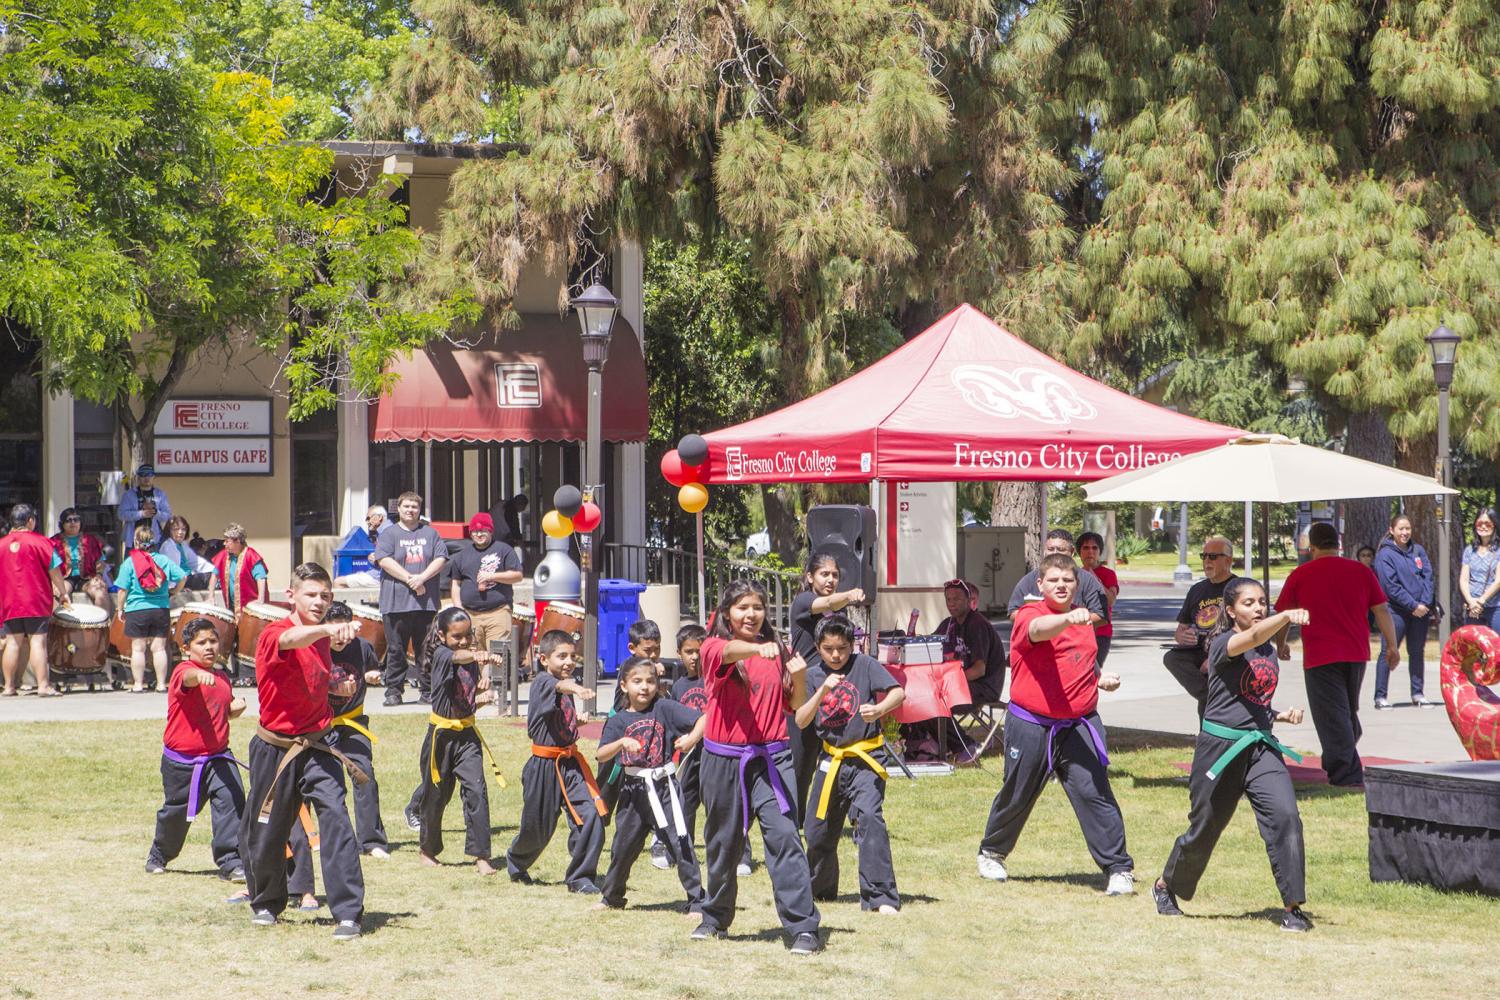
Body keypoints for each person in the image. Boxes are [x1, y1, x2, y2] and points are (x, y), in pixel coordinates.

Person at [1154, 577, 1313, 932]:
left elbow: (1251, 696)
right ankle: (1167, 885)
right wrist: (1286, 615)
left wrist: (1277, 715)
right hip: (1220, 750)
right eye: (1249, 603)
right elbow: (1254, 638)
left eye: (1262, 602)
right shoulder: (1224, 643)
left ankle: (1292, 907)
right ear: (1230, 611)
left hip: (1260, 747)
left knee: (1286, 816)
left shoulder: (1268, 649)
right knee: (1205, 828)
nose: (1258, 608)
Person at [978, 554, 1133, 896]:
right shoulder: (1032, 614)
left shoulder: (1083, 622)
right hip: (1032, 723)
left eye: (1067, 580)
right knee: (1018, 792)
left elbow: (1080, 662)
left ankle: (1118, 868)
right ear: (1040, 584)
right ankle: (992, 852)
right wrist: (1066, 620)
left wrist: (1100, 679)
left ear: (1076, 584)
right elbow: (1037, 632)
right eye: (1054, 580)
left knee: (1095, 794)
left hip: (1079, 723)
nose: (1061, 586)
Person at [239, 562, 368, 939]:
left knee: (337, 822)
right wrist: (326, 628)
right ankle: (266, 902)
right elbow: (291, 643)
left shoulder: (323, 637)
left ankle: (347, 912)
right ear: (291, 596)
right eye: (311, 595)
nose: (319, 601)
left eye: (326, 596)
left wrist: (333, 687)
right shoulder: (275, 632)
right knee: (268, 828)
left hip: (317, 744)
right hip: (275, 748)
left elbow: (308, 674)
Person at [695, 580, 822, 955]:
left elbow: (794, 705)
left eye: (757, 607)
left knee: (784, 837)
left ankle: (803, 927)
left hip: (772, 757)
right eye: (742, 608)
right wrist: (757, 648)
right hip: (724, 759)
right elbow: (731, 651)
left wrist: (798, 676)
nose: (751, 614)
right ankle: (715, 918)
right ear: (726, 613)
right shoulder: (714, 646)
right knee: (723, 842)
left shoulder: (777, 649)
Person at [1274, 522, 1398, 787]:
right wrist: (1393, 646)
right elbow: (1381, 610)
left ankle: (1345, 774)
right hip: (1356, 652)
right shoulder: (1361, 572)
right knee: (1345, 710)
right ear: (1338, 544)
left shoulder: (1301, 574)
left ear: (1312, 547)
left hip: (1321, 653)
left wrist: (1281, 643)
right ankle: (1339, 756)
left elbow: (1284, 615)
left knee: (1331, 715)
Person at [796, 615, 905, 914]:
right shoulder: (813, 675)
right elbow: (800, 719)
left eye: (842, 649)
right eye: (828, 649)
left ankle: (880, 897)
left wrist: (880, 708)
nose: (835, 655)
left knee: (870, 818)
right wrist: (821, 692)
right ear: (818, 647)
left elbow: (898, 692)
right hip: (831, 760)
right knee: (817, 829)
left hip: (866, 759)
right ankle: (820, 889)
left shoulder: (865, 665)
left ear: (852, 645)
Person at [595, 659, 707, 913]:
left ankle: (698, 900)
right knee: (622, 847)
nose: (644, 687)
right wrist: (622, 742)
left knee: (681, 844)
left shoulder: (664, 708)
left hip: (664, 789)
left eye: (650, 681)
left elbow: (704, 717)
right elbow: (601, 754)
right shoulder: (618, 720)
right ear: (624, 685)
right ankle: (611, 897)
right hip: (633, 793)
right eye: (637, 681)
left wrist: (690, 739)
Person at [145, 618, 248, 887]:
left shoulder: (222, 677)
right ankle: (159, 854)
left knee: (232, 801)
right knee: (176, 814)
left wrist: (233, 710)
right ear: (187, 647)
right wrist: (197, 675)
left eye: (213, 641)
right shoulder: (184, 671)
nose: (209, 647)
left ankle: (231, 862)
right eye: (201, 643)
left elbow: (218, 713)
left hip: (218, 757)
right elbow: (188, 681)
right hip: (183, 763)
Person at [505, 629, 606, 892]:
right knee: (538, 829)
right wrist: (575, 686)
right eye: (561, 656)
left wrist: (575, 723)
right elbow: (557, 687)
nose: (569, 662)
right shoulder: (543, 681)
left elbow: (557, 716)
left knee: (590, 816)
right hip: (543, 767)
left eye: (572, 656)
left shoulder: (565, 683)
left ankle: (581, 877)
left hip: (570, 765)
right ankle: (516, 861)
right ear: (543, 659)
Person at [417, 607, 502, 875]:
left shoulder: (470, 658)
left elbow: (462, 693)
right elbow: (458, 656)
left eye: (468, 636)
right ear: (442, 635)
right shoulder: (443, 654)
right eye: (457, 636)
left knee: (477, 791)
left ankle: (481, 855)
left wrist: (480, 695)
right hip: (440, 737)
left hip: (467, 736)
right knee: (436, 796)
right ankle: (427, 849)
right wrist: (476, 654)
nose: (464, 641)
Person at [671, 623, 755, 878]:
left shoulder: (719, 678)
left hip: (716, 751)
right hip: (690, 756)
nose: (695, 657)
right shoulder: (678, 686)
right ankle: (683, 853)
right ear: (679, 653)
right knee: (684, 802)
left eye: (699, 650)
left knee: (724, 805)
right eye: (688, 651)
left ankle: (741, 855)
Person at [787, 552, 865, 821]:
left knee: (845, 753)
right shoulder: (804, 601)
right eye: (824, 574)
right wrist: (850, 593)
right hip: (804, 688)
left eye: (835, 575)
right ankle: (794, 820)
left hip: (834, 687)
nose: (831, 579)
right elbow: (829, 601)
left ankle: (855, 814)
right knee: (802, 761)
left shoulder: (838, 610)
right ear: (810, 577)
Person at [324, 602, 390, 859]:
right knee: (322, 783)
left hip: (353, 723)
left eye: (345, 630)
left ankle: (372, 841)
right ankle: (313, 837)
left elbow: (371, 667)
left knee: (365, 776)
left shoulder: (362, 647)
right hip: (321, 725)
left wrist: (373, 675)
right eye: (334, 631)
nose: (341, 637)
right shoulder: (314, 649)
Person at [373, 491, 448, 706]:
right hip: (395, 603)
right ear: (399, 508)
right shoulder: (389, 534)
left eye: (414, 507)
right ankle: (394, 692)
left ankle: (428, 691)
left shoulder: (431, 534)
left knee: (426, 649)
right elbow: (384, 560)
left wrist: (422, 577)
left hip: (426, 603)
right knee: (396, 649)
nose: (410, 510)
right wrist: (410, 579)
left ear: (419, 510)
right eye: (406, 506)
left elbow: (441, 558)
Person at [1162, 535, 1239, 717]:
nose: (1207, 561)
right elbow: (1181, 628)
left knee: (1210, 690)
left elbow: (1247, 630)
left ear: (1228, 560)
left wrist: (1214, 658)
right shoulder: (1197, 590)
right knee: (1172, 658)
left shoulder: (1238, 588)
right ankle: (1211, 696)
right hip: (1198, 650)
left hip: (1228, 652)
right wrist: (1182, 636)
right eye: (1203, 556)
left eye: (1212, 557)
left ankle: (1209, 699)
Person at [447, 512, 523, 687]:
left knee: (497, 650)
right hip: (469, 613)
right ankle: (480, 688)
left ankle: (497, 691)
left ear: (491, 531)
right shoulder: (461, 555)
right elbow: (456, 585)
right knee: (475, 651)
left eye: (483, 531)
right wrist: (459, 610)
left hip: (497, 610)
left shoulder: (504, 550)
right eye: (475, 531)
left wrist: (493, 576)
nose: (479, 535)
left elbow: (517, 575)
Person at [0, 504, 68, 697]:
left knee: (13, 643)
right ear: (30, 520)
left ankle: (9, 687)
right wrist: (63, 592)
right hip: (35, 599)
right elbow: (55, 571)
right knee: (38, 643)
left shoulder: (2, 544)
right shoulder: (43, 543)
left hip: (9, 601)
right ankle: (43, 686)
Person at [114, 524, 188, 692]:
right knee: (159, 648)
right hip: (160, 608)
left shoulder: (129, 562)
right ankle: (161, 684)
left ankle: (138, 685)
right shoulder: (163, 560)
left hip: (136, 609)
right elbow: (183, 576)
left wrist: (120, 609)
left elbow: (122, 590)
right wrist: (174, 591)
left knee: (138, 648)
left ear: (136, 542)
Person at [1373, 514, 1435, 709]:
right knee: (1388, 651)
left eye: (1407, 528)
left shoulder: (1418, 550)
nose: (1405, 532)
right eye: (1400, 529)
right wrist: (1412, 605)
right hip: (1396, 612)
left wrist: (1424, 603)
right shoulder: (1385, 555)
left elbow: (1428, 577)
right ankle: (1380, 696)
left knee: (1417, 652)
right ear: (1392, 530)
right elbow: (1390, 586)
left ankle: (1418, 693)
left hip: (1420, 611)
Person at [1006, 529, 1108, 623]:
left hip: (1074, 640)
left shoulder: (1087, 580)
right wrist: (1040, 622)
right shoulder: (1029, 579)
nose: (1055, 553)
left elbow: (1100, 615)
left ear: (1072, 551)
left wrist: (1073, 621)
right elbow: (1013, 613)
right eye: (1050, 549)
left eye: (1060, 549)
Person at [1077, 532, 1119, 666]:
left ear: (1100, 551)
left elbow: (1111, 600)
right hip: (1077, 631)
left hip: (1101, 633)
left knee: (1094, 670)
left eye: (1094, 548)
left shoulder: (1108, 574)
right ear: (1079, 552)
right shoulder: (1073, 574)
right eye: (1086, 548)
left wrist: (1093, 578)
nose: (1090, 552)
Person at [212, 523, 269, 612]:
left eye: (227, 541)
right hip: (231, 607)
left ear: (237, 541)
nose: (224, 543)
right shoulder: (224, 555)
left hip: (250, 610)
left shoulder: (251, 555)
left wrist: (260, 600)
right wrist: (211, 596)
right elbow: (214, 575)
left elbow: (261, 578)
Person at [1460, 508, 1500, 631]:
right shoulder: (1469, 550)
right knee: (1473, 647)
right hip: (1473, 608)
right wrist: (1471, 601)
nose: (1483, 526)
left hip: (1495, 607)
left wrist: (1481, 601)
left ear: (1495, 525)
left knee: (1496, 647)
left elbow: (1498, 581)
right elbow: (1464, 579)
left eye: (1487, 523)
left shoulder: (1498, 550)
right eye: (1479, 523)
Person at [51, 508, 106, 597]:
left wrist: (99, 575)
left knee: (100, 592)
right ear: (62, 524)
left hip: (87, 578)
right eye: (68, 520)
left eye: (76, 519)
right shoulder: (54, 541)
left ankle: (105, 611)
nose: (73, 523)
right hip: (64, 579)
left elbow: (100, 561)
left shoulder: (90, 540)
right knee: (60, 593)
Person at [333, 506, 388, 588]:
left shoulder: (387, 532)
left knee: (338, 582)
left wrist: (375, 560)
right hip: (377, 574)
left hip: (379, 577)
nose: (367, 522)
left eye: (368, 518)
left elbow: (389, 558)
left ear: (380, 517)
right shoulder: (382, 532)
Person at [119, 464, 172, 546]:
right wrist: (141, 514)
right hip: (133, 540)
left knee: (154, 559)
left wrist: (155, 513)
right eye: (143, 475)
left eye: (149, 475)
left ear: (153, 476)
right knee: (131, 559)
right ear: (138, 477)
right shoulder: (129, 494)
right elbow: (121, 514)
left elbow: (167, 516)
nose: (146, 478)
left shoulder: (160, 494)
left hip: (154, 540)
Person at [158, 515, 215, 590]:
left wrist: (213, 569)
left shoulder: (182, 544)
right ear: (169, 531)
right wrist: (177, 588)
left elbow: (195, 562)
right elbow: (172, 573)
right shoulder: (168, 547)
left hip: (186, 578)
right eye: (176, 529)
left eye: (183, 529)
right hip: (177, 583)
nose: (180, 532)